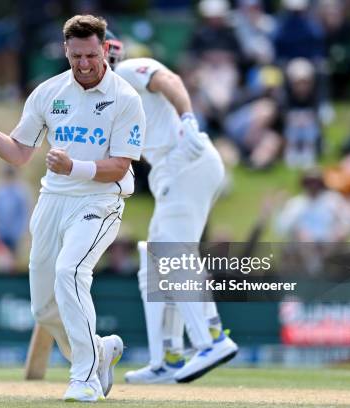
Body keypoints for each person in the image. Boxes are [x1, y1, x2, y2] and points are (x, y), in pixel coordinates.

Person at [0, 15, 145, 402]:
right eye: (76, 55)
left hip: (100, 199)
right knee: (45, 309)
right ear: (66, 50)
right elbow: (18, 152)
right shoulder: (47, 92)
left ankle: (84, 379)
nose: (84, 63)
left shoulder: (126, 99)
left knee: (70, 271)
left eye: (91, 55)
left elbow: (121, 165)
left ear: (104, 50)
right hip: (53, 201)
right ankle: (98, 352)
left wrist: (73, 167)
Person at [111, 33, 238, 384]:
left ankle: (212, 339)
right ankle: (166, 358)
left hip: (187, 159)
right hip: (170, 171)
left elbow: (170, 80)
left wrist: (188, 120)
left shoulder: (128, 70)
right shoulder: (105, 98)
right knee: (152, 263)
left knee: (169, 253)